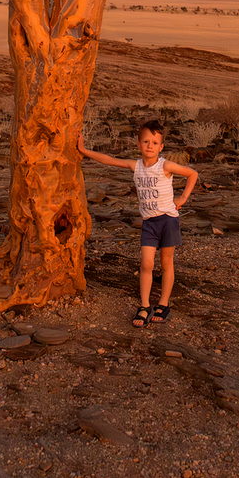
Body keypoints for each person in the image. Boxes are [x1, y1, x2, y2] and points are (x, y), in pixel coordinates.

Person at [79, 119, 198, 327]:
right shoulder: (136, 166)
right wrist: (84, 150)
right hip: (149, 223)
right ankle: (144, 305)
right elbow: (109, 160)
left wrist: (183, 199)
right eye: (145, 142)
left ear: (161, 147)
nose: (149, 146)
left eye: (154, 142)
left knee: (166, 262)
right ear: (138, 144)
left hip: (168, 220)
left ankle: (163, 303)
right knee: (146, 263)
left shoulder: (165, 165)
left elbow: (192, 174)